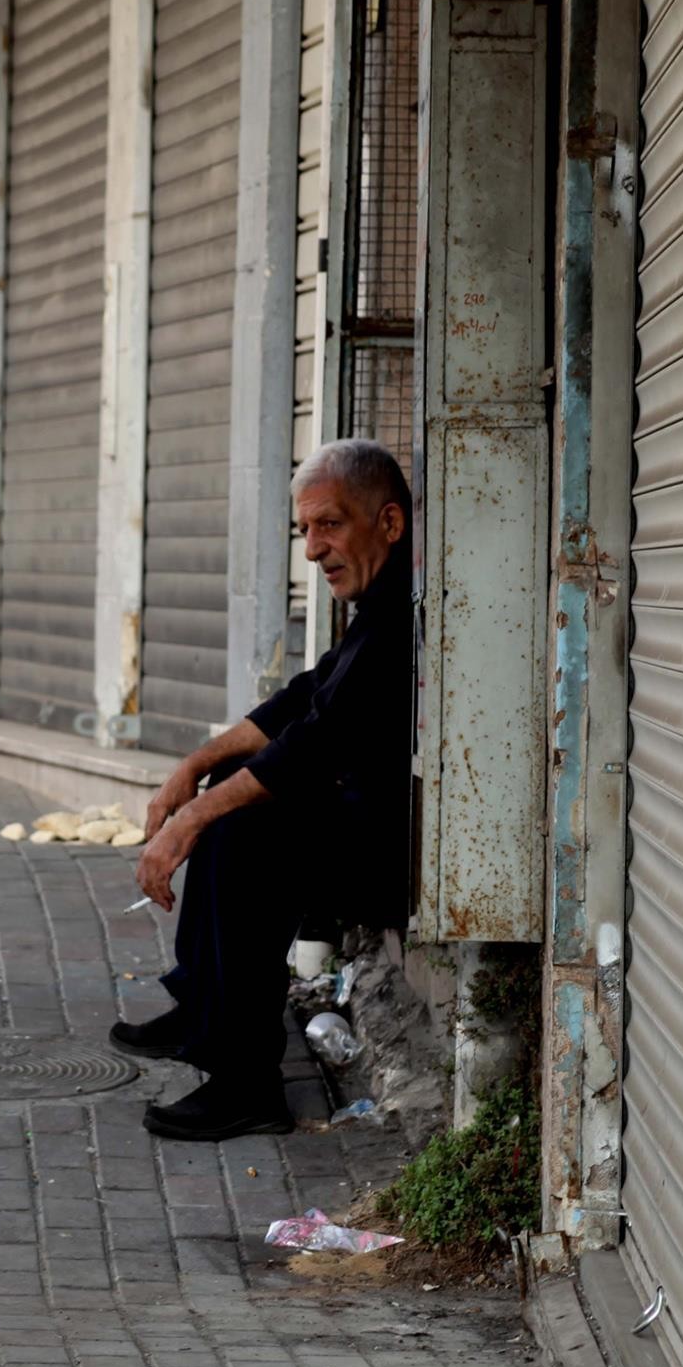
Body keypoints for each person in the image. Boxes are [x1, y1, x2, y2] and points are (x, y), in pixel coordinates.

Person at [112, 438, 414, 1141]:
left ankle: (246, 1083)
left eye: (330, 525)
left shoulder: (403, 616)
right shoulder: (382, 601)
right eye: (305, 530)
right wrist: (195, 767)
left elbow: (312, 745)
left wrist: (188, 822)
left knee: (242, 826)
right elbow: (305, 698)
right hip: (366, 818)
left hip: (400, 857)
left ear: (389, 524)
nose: (313, 550)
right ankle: (202, 1006)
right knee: (227, 798)